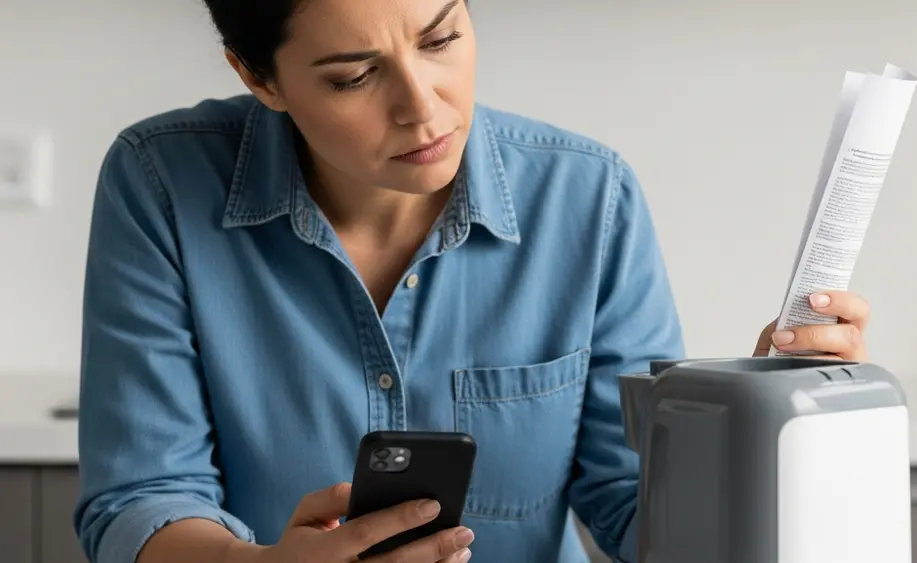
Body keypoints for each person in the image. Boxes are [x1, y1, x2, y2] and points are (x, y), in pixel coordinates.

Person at [72, 1, 871, 562]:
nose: (423, 108)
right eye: (354, 76)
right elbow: (140, 498)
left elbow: (636, 508)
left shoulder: (588, 197)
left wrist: (754, 424)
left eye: (441, 37)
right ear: (260, 77)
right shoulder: (161, 181)